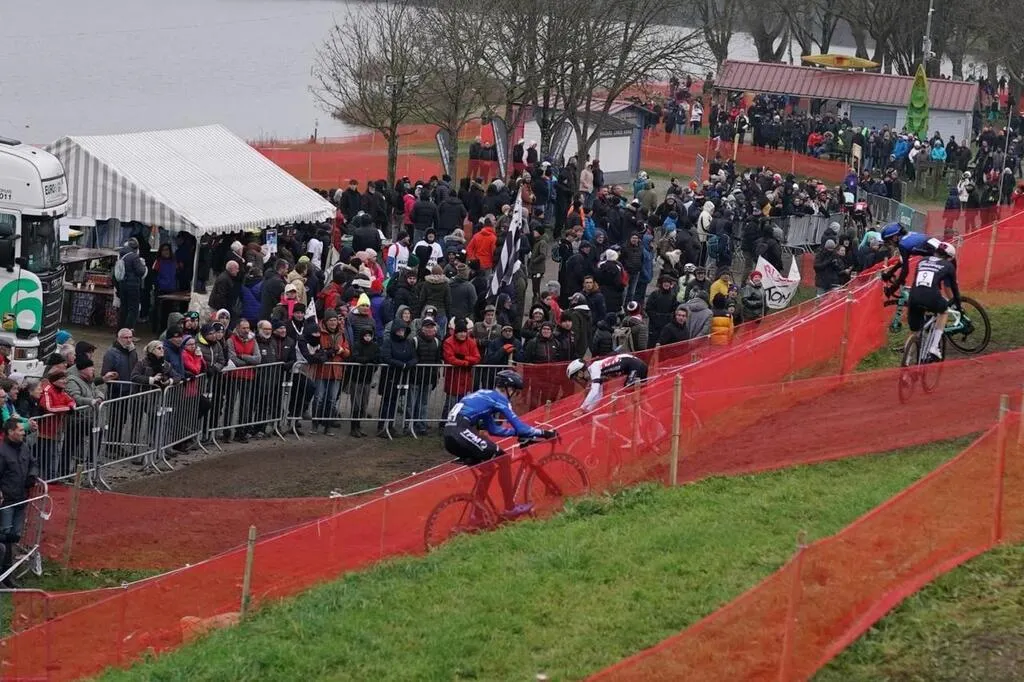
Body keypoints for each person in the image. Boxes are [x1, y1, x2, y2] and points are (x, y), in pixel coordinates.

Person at [442, 370, 556, 518]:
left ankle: (477, 514)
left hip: (451, 435)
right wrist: (544, 433)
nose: (515, 395)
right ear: (509, 388)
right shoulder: (499, 399)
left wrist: (517, 433)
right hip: (461, 432)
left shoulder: (485, 395)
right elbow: (521, 428)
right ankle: (509, 508)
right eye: (516, 392)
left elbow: (494, 430)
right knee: (504, 459)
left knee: (489, 469)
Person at [904, 241, 961, 361]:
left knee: (915, 331)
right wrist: (958, 305)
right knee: (944, 312)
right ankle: (934, 347)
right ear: (949, 257)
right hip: (931, 296)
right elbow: (954, 288)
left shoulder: (922, 260)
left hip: (914, 296)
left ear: (936, 252)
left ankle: (907, 360)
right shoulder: (948, 265)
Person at [0, 418, 38, 586]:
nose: (24, 432)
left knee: (15, 535)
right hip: (7, 502)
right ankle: (4, 576)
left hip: (21, 499)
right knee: (5, 536)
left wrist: (32, 475)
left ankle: (9, 573)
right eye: (20, 430)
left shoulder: (24, 447)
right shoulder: (2, 452)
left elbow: (33, 463)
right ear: (10, 432)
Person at [566, 353, 649, 413]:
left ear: (580, 373)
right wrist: (588, 410)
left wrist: (582, 408)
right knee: (642, 400)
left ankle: (635, 424)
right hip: (636, 365)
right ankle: (652, 420)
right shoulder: (595, 372)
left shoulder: (594, 369)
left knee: (627, 397)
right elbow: (599, 395)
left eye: (576, 378)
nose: (578, 381)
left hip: (635, 365)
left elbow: (594, 391)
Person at [879, 223, 935, 297]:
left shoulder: (902, 244)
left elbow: (905, 271)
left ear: (895, 237)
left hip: (937, 259)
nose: (890, 244)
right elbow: (902, 261)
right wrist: (890, 273)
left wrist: (893, 288)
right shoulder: (909, 235)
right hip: (940, 257)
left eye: (889, 242)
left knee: (918, 294)